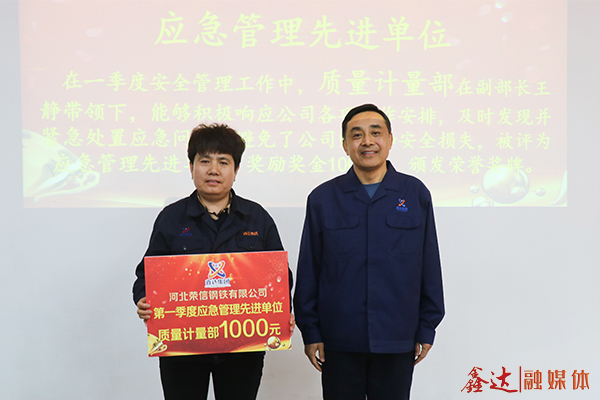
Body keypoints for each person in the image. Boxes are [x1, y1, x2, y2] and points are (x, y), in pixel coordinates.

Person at [293, 104, 444, 400]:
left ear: (389, 139)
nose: (367, 142)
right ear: (345, 145)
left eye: (376, 133)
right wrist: (311, 331)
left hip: (397, 337)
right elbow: (310, 268)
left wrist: (426, 327)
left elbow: (429, 264)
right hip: (339, 338)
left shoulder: (415, 194)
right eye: (357, 135)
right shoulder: (323, 198)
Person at [133, 123, 293, 400]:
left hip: (243, 348)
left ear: (236, 170)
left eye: (223, 162)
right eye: (205, 161)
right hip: (183, 347)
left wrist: (281, 310)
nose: (213, 170)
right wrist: (143, 300)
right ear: (191, 167)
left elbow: (280, 276)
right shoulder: (171, 218)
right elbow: (147, 274)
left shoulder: (257, 218)